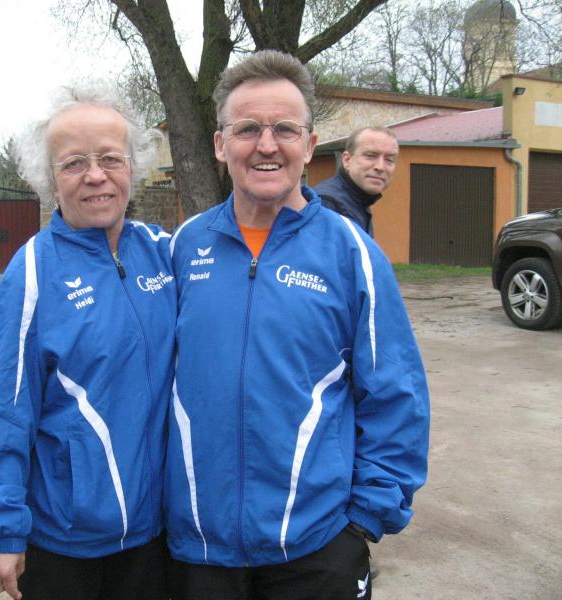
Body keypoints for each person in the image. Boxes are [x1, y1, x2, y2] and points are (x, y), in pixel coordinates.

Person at [165, 50, 430, 600]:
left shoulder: (351, 252)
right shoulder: (184, 246)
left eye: (285, 129)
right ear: (220, 144)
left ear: (309, 146)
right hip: (198, 552)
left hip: (316, 548)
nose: (267, 145)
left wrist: (365, 519)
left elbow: (395, 395)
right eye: (248, 129)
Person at [0, 83, 176, 600]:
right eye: (74, 163)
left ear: (134, 166)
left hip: (156, 533)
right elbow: (0, 405)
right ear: (50, 180)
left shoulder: (163, 254)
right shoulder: (33, 270)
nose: (96, 175)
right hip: (67, 540)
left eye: (110, 158)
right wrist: (0, 525)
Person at [313, 126, 400, 236]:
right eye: (370, 156)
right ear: (347, 160)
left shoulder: (358, 201)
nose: (380, 167)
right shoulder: (327, 204)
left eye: (389, 160)